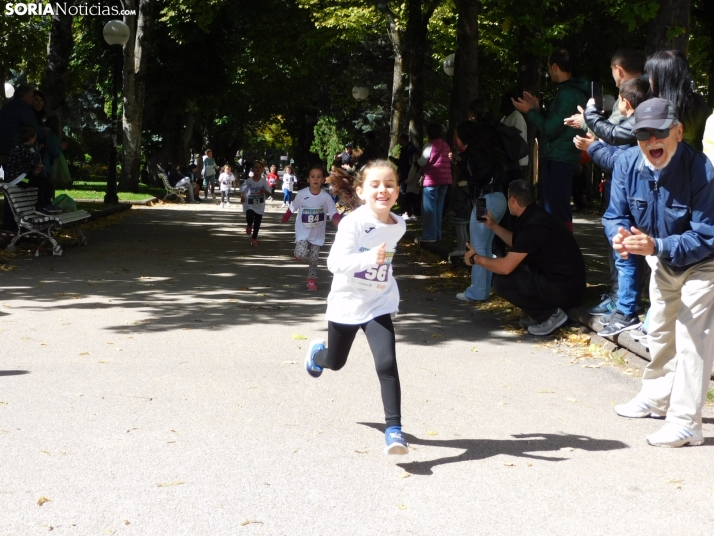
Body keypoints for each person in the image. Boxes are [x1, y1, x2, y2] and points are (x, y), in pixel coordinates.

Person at [604, 98, 714, 448]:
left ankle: (686, 423)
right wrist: (618, 237)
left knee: (690, 336)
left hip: (703, 261)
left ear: (678, 132)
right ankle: (655, 396)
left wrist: (657, 247)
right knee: (661, 330)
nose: (652, 140)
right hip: (663, 259)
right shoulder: (626, 164)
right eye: (642, 134)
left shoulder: (702, 171)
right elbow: (614, 215)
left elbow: (706, 235)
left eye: (660, 132)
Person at [303, 159, 409, 455]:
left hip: (378, 302)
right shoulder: (353, 223)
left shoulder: (398, 225)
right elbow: (334, 263)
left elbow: (385, 259)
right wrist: (368, 259)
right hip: (347, 304)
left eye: (389, 184)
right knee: (335, 362)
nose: (382, 190)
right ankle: (317, 355)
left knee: (387, 363)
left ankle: (394, 430)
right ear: (361, 192)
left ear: (398, 191)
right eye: (375, 185)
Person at [464, 179, 586, 336]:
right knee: (515, 273)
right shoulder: (535, 216)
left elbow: (505, 267)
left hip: (565, 289)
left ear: (513, 200)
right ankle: (541, 314)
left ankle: (550, 315)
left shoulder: (534, 225)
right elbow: (518, 241)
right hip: (563, 282)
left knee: (503, 281)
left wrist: (476, 259)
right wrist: (493, 225)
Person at [578, 78, 650, 336]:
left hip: (633, 199)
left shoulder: (638, 123)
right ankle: (628, 307)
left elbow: (614, 144)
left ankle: (627, 307)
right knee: (630, 246)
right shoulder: (651, 122)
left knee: (628, 247)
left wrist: (593, 137)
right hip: (630, 199)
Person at [512, 49, 589, 231]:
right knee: (556, 209)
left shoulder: (567, 94)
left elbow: (550, 128)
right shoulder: (572, 91)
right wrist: (537, 109)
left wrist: (530, 112)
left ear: (555, 67)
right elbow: (556, 124)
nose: (548, 71)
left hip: (558, 159)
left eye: (548, 67)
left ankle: (560, 251)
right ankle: (557, 250)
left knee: (556, 211)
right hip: (561, 157)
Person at [452, 121, 508, 301]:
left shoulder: (475, 151)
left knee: (478, 247)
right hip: (497, 198)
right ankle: (482, 289)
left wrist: (470, 183)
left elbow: (481, 173)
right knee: (484, 245)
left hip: (485, 200)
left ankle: (477, 291)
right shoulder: (485, 149)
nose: (455, 139)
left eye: (456, 135)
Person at [281, 165, 341, 290]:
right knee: (302, 253)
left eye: (319, 177)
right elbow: (294, 205)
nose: (316, 179)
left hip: (317, 232)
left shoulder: (326, 197)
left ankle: (311, 279)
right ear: (308, 179)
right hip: (303, 230)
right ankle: (298, 253)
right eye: (312, 176)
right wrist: (286, 216)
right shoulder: (302, 194)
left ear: (323, 180)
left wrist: (338, 221)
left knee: (314, 259)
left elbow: (333, 211)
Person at [645, 50, 711, 151]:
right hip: (696, 162)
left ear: (661, 78)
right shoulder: (700, 104)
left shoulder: (656, 110)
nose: (649, 79)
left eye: (651, 75)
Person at [417, 123, 452, 243]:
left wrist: (416, 160)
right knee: (438, 208)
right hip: (445, 180)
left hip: (431, 181)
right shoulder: (445, 144)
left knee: (429, 209)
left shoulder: (429, 145)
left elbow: (422, 162)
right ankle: (437, 234)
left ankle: (429, 235)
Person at [0, 84, 46, 173]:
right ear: (25, 96)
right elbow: (33, 129)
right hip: (15, 152)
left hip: (3, 149)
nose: (33, 99)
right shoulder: (24, 109)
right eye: (32, 96)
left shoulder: (7, 107)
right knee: (22, 180)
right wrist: (44, 131)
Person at [240, 161, 272, 246]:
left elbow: (269, 193)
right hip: (249, 204)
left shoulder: (264, 182)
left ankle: (254, 238)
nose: (257, 169)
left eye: (259, 167)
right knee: (249, 216)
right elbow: (242, 190)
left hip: (260, 205)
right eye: (256, 167)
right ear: (252, 170)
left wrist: (264, 191)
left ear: (262, 170)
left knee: (257, 223)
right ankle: (249, 224)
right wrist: (242, 196)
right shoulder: (248, 181)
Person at [389, 133, 419, 220]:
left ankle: (409, 212)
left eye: (400, 140)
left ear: (404, 140)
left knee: (407, 193)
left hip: (409, 174)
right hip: (405, 173)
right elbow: (402, 162)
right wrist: (395, 161)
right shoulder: (405, 149)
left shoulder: (410, 149)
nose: (399, 142)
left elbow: (406, 163)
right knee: (404, 193)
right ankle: (406, 212)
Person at [500, 91, 529, 177]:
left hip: (516, 163)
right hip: (509, 163)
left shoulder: (517, 117)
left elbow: (518, 141)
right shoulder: (505, 118)